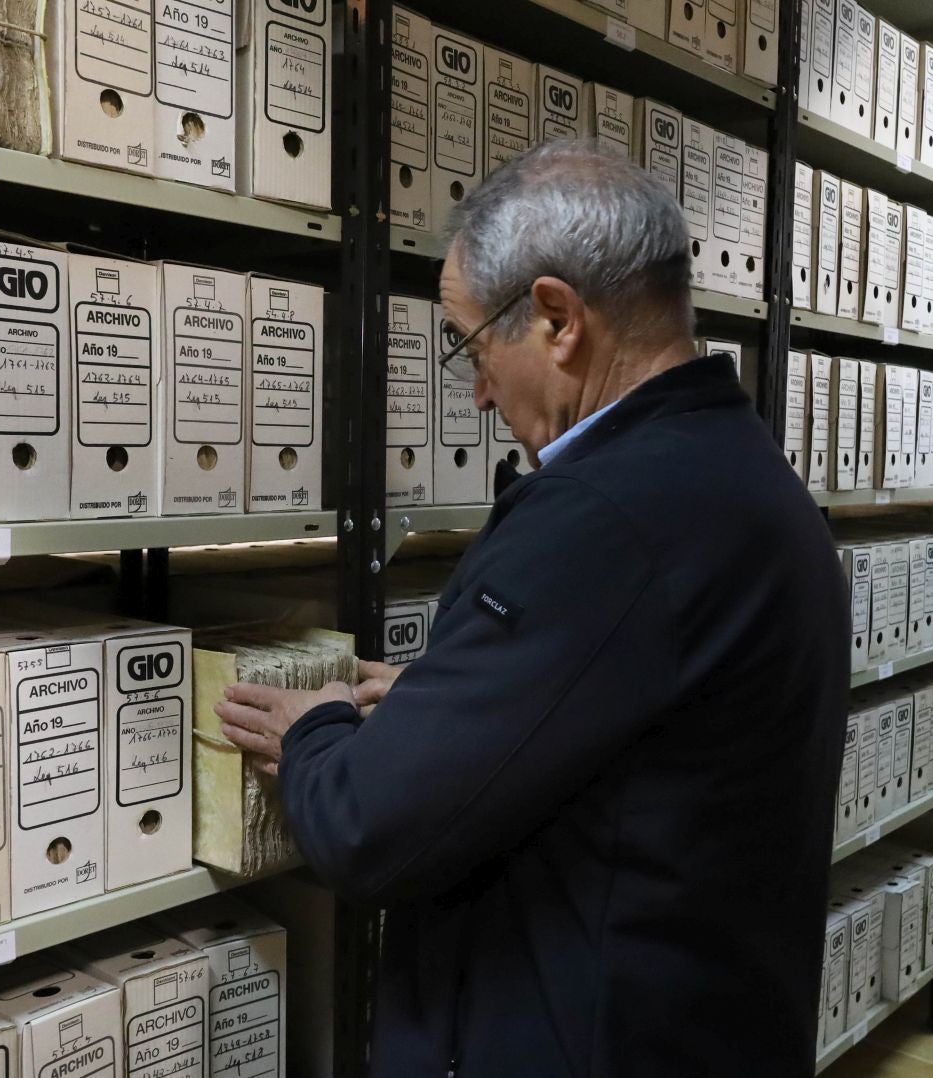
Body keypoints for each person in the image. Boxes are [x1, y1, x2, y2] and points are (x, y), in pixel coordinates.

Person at [216, 140, 849, 1077]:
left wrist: (316, 736)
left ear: (556, 318)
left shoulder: (604, 519)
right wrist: (449, 698)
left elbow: (368, 826)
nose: (474, 392)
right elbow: (627, 721)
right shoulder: (746, 480)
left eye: (470, 345)